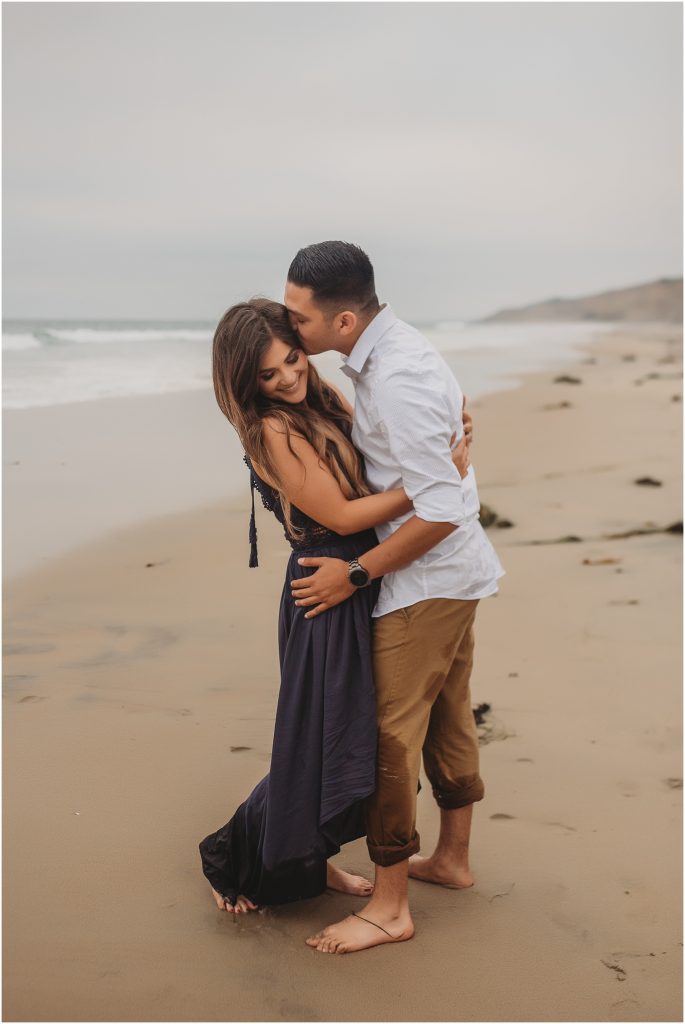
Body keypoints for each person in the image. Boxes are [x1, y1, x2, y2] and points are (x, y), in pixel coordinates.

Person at [198, 298, 472, 914]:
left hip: (359, 576)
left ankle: (316, 862)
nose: (287, 378)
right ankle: (229, 853)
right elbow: (345, 514)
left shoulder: (321, 399)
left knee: (339, 734)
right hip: (325, 587)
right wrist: (429, 484)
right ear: (246, 382)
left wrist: (442, 450)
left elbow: (372, 468)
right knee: (320, 737)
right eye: (268, 375)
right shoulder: (270, 428)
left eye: (292, 360)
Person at [282, 241, 505, 954]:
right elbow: (425, 472)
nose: (291, 332)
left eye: (298, 318)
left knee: (387, 734)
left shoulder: (399, 373)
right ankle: (452, 860)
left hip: (426, 577)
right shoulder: (384, 358)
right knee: (445, 711)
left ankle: (388, 907)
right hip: (450, 574)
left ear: (344, 321)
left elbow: (439, 508)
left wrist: (356, 574)